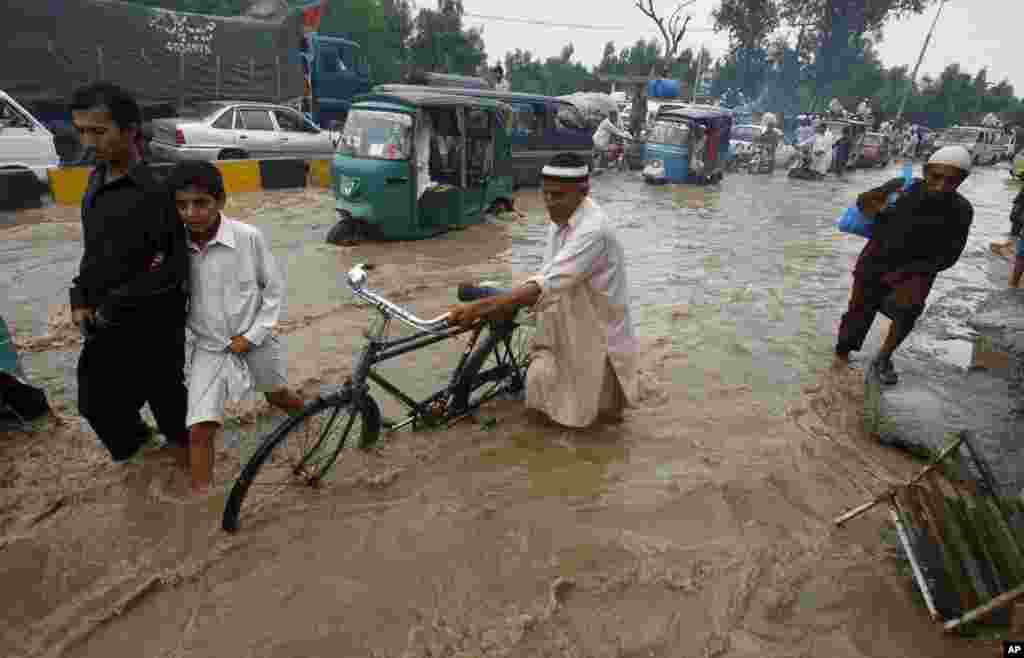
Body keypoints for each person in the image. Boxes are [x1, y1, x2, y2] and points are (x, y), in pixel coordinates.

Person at [447, 153, 638, 428]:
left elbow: (548, 282)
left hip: (596, 328)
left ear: (584, 191)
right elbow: (548, 274)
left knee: (597, 416)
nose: (549, 202)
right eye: (545, 194)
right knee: (544, 398)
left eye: (557, 195)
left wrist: (479, 308)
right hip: (562, 314)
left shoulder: (594, 230)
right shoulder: (560, 220)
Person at [166, 161, 306, 494]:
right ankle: (203, 503)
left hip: (256, 340)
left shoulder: (247, 238)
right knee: (199, 429)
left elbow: (273, 291)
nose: (191, 213)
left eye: (200, 203)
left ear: (220, 201)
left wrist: (252, 336)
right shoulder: (173, 247)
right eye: (182, 205)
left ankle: (314, 424)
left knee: (278, 396)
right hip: (210, 349)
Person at [69, 82, 190, 463]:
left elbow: (174, 267)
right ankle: (141, 464)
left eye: (98, 131)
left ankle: (184, 475)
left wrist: (117, 303)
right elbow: (94, 253)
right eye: (81, 131)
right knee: (95, 405)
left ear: (130, 130)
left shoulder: (159, 191)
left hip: (154, 326)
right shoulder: (95, 182)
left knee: (170, 410)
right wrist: (80, 298)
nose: (88, 142)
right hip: (105, 322)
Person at [835, 146, 974, 384]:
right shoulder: (902, 187)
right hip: (875, 262)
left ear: (962, 181)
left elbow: (951, 254)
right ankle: (840, 358)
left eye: (951, 181)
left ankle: (884, 357)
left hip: (917, 271)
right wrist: (879, 206)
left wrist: (916, 271)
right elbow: (863, 201)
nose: (941, 185)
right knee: (858, 311)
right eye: (936, 177)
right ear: (926, 172)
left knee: (908, 311)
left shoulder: (962, 210)